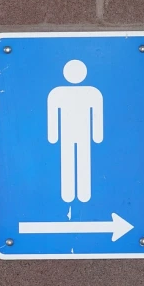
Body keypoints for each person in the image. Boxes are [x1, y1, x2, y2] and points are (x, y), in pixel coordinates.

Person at [47, 59, 103, 203]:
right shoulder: (57, 93)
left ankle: (83, 195)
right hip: (68, 134)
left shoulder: (92, 92)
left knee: (82, 160)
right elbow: (52, 115)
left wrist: (97, 135)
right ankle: (68, 195)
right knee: (68, 161)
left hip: (83, 133)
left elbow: (98, 115)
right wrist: (52, 135)